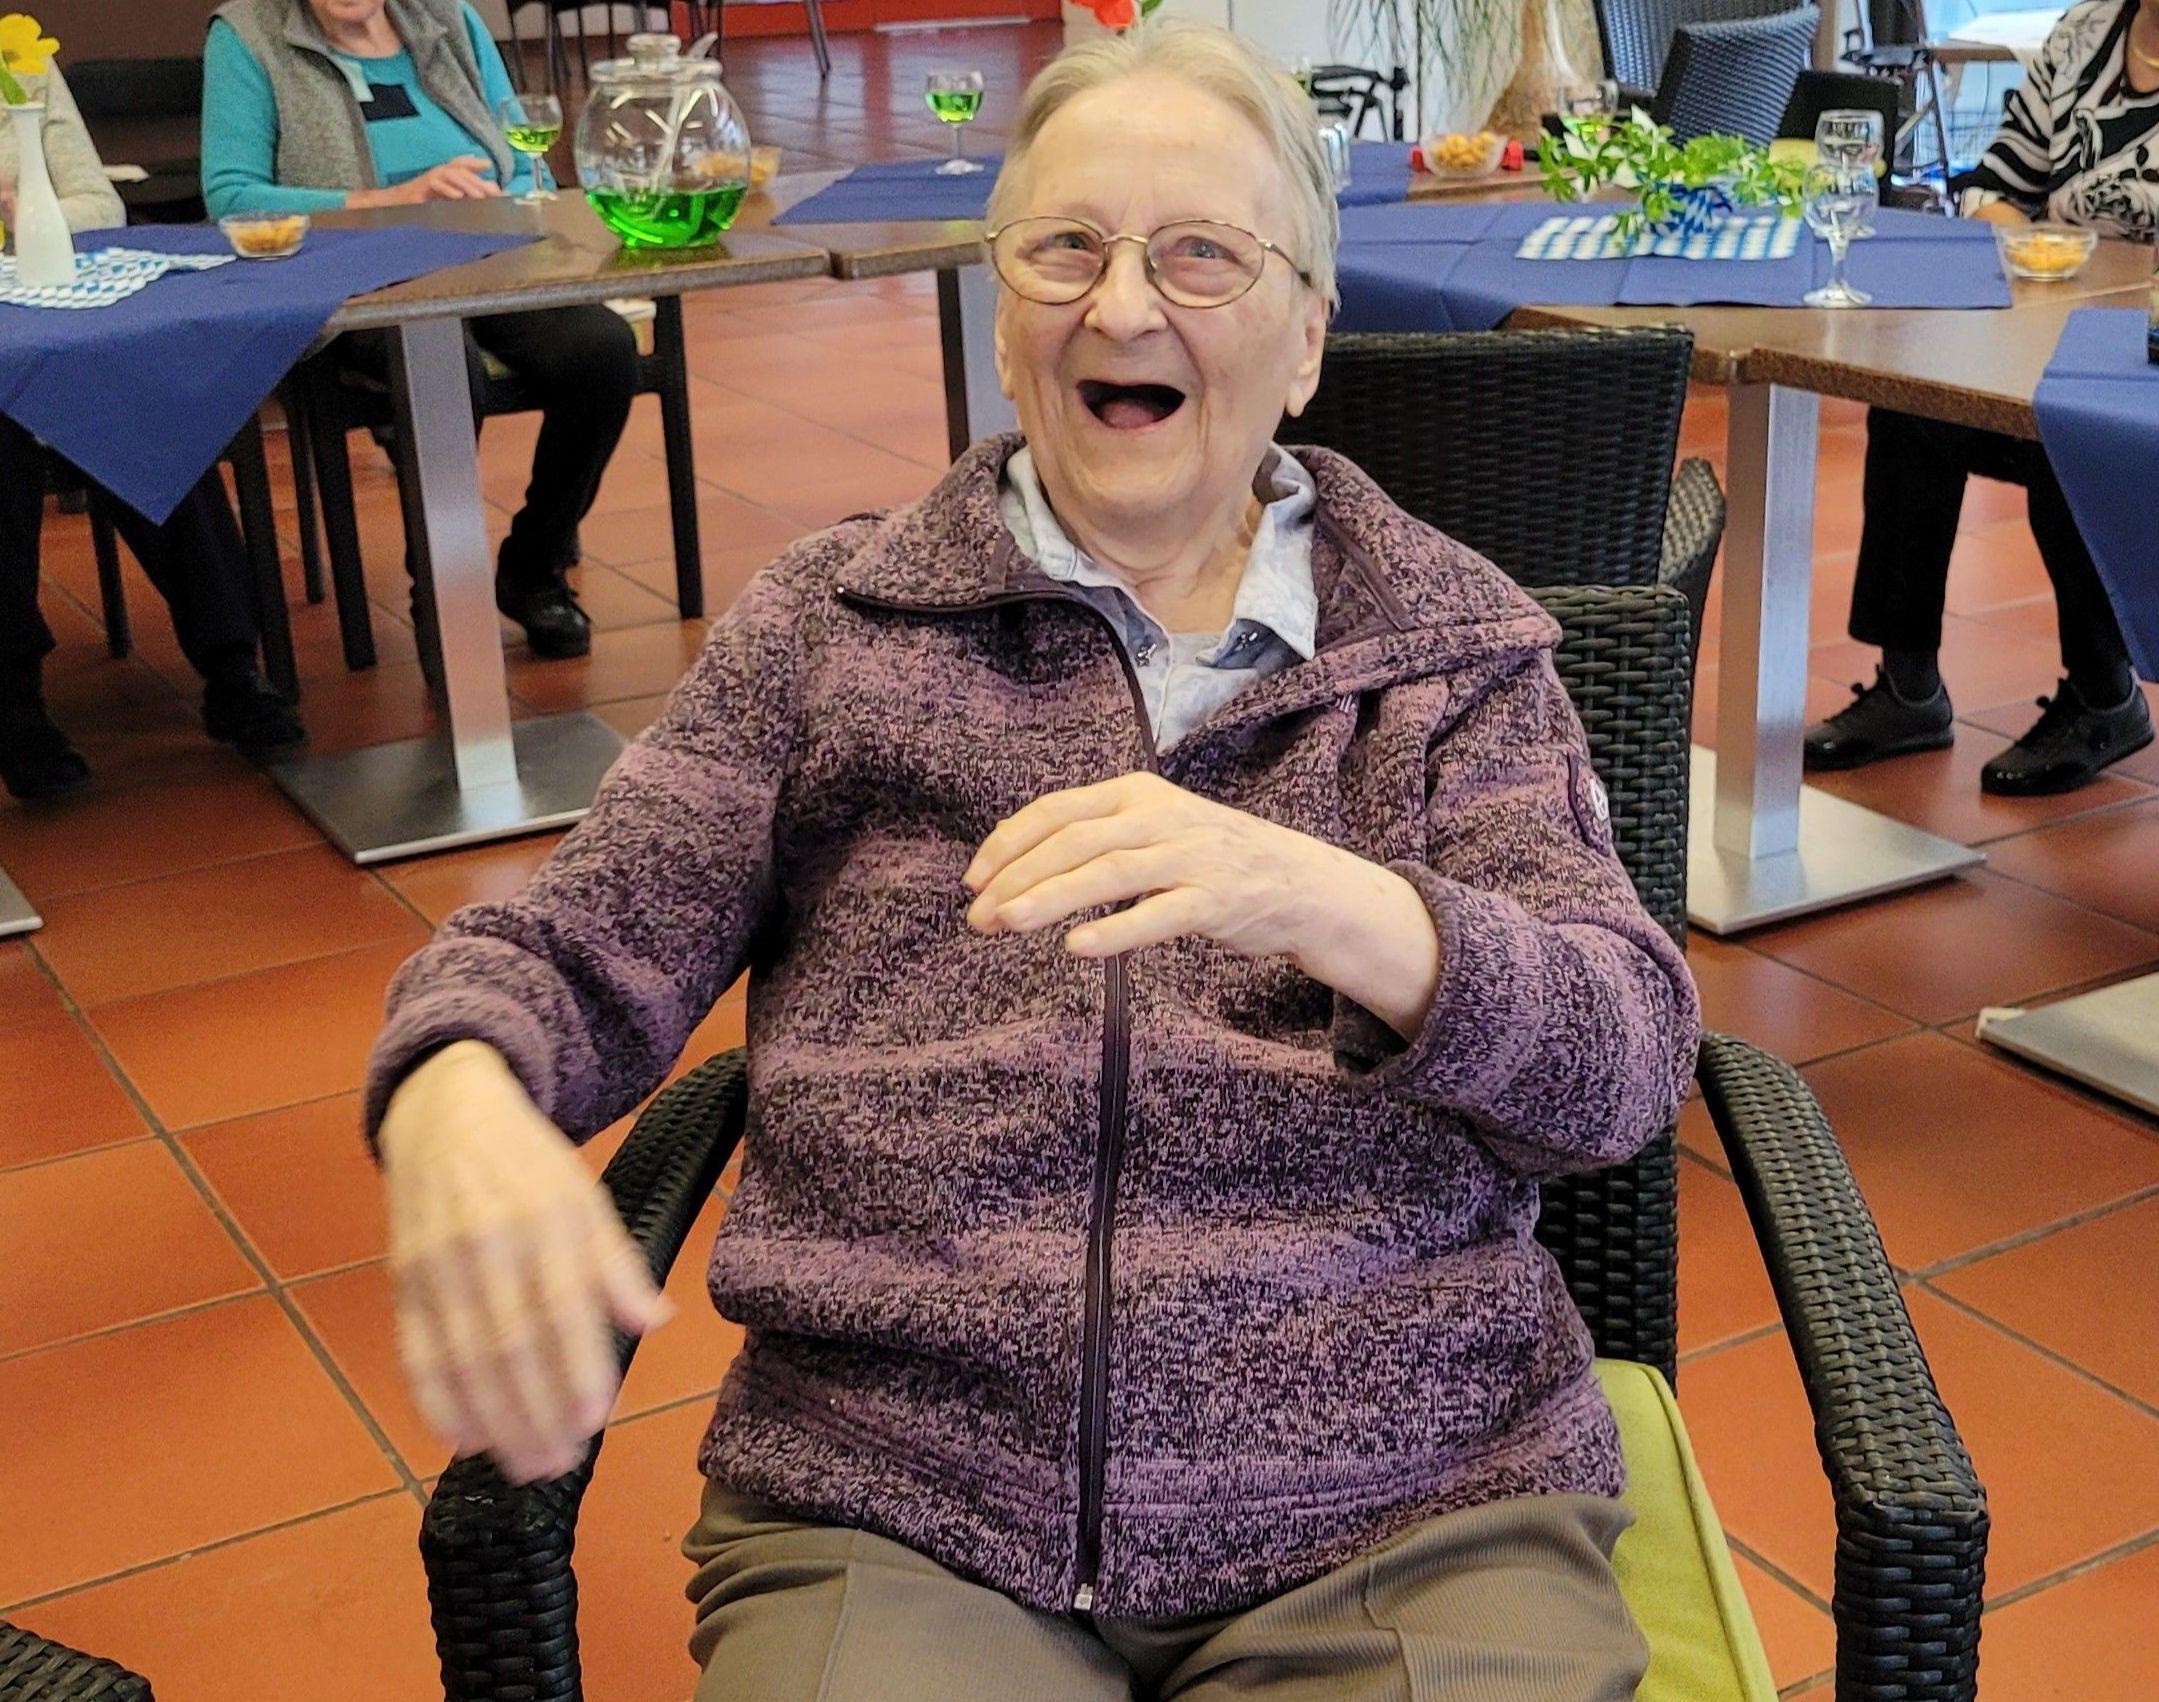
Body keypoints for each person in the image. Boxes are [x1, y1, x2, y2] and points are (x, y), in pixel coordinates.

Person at [365, 22, 1698, 1700]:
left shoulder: (1447, 652)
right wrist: (457, 1092)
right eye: (1066, 247)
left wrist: (1332, 901)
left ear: (1304, 339)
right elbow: (572, 944)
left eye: (1201, 255)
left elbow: (1620, 1059)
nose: (1121, 308)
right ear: (1004, 319)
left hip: (1409, 1502)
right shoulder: (831, 627)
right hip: (905, 1499)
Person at [1806, 0, 2159, 794]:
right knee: (1916, 401)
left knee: (2073, 432)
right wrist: (2031, 246)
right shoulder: (2083, 32)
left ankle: (2105, 696)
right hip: (2059, 328)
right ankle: (1909, 687)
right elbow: (1995, 186)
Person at [201, 0, 640, 660]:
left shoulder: (449, 18)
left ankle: (534, 565)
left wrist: (513, 200)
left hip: (486, 257)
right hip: (357, 279)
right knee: (442, 368)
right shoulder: (246, 36)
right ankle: (441, 587)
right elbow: (234, 198)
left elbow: (527, 160)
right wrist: (392, 202)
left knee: (602, 350)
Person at [1, 65, 302, 801]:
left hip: (45, 310)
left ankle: (231, 667)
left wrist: (27, 212)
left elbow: (97, 202)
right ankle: (13, 703)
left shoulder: (18, 60)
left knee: (137, 393)